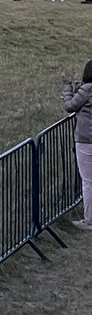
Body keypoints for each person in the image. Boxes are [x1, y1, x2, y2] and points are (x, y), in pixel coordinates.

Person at [63, 61, 92, 230]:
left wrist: (67, 90)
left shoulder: (87, 90)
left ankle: (89, 220)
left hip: (86, 140)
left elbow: (70, 106)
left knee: (88, 182)